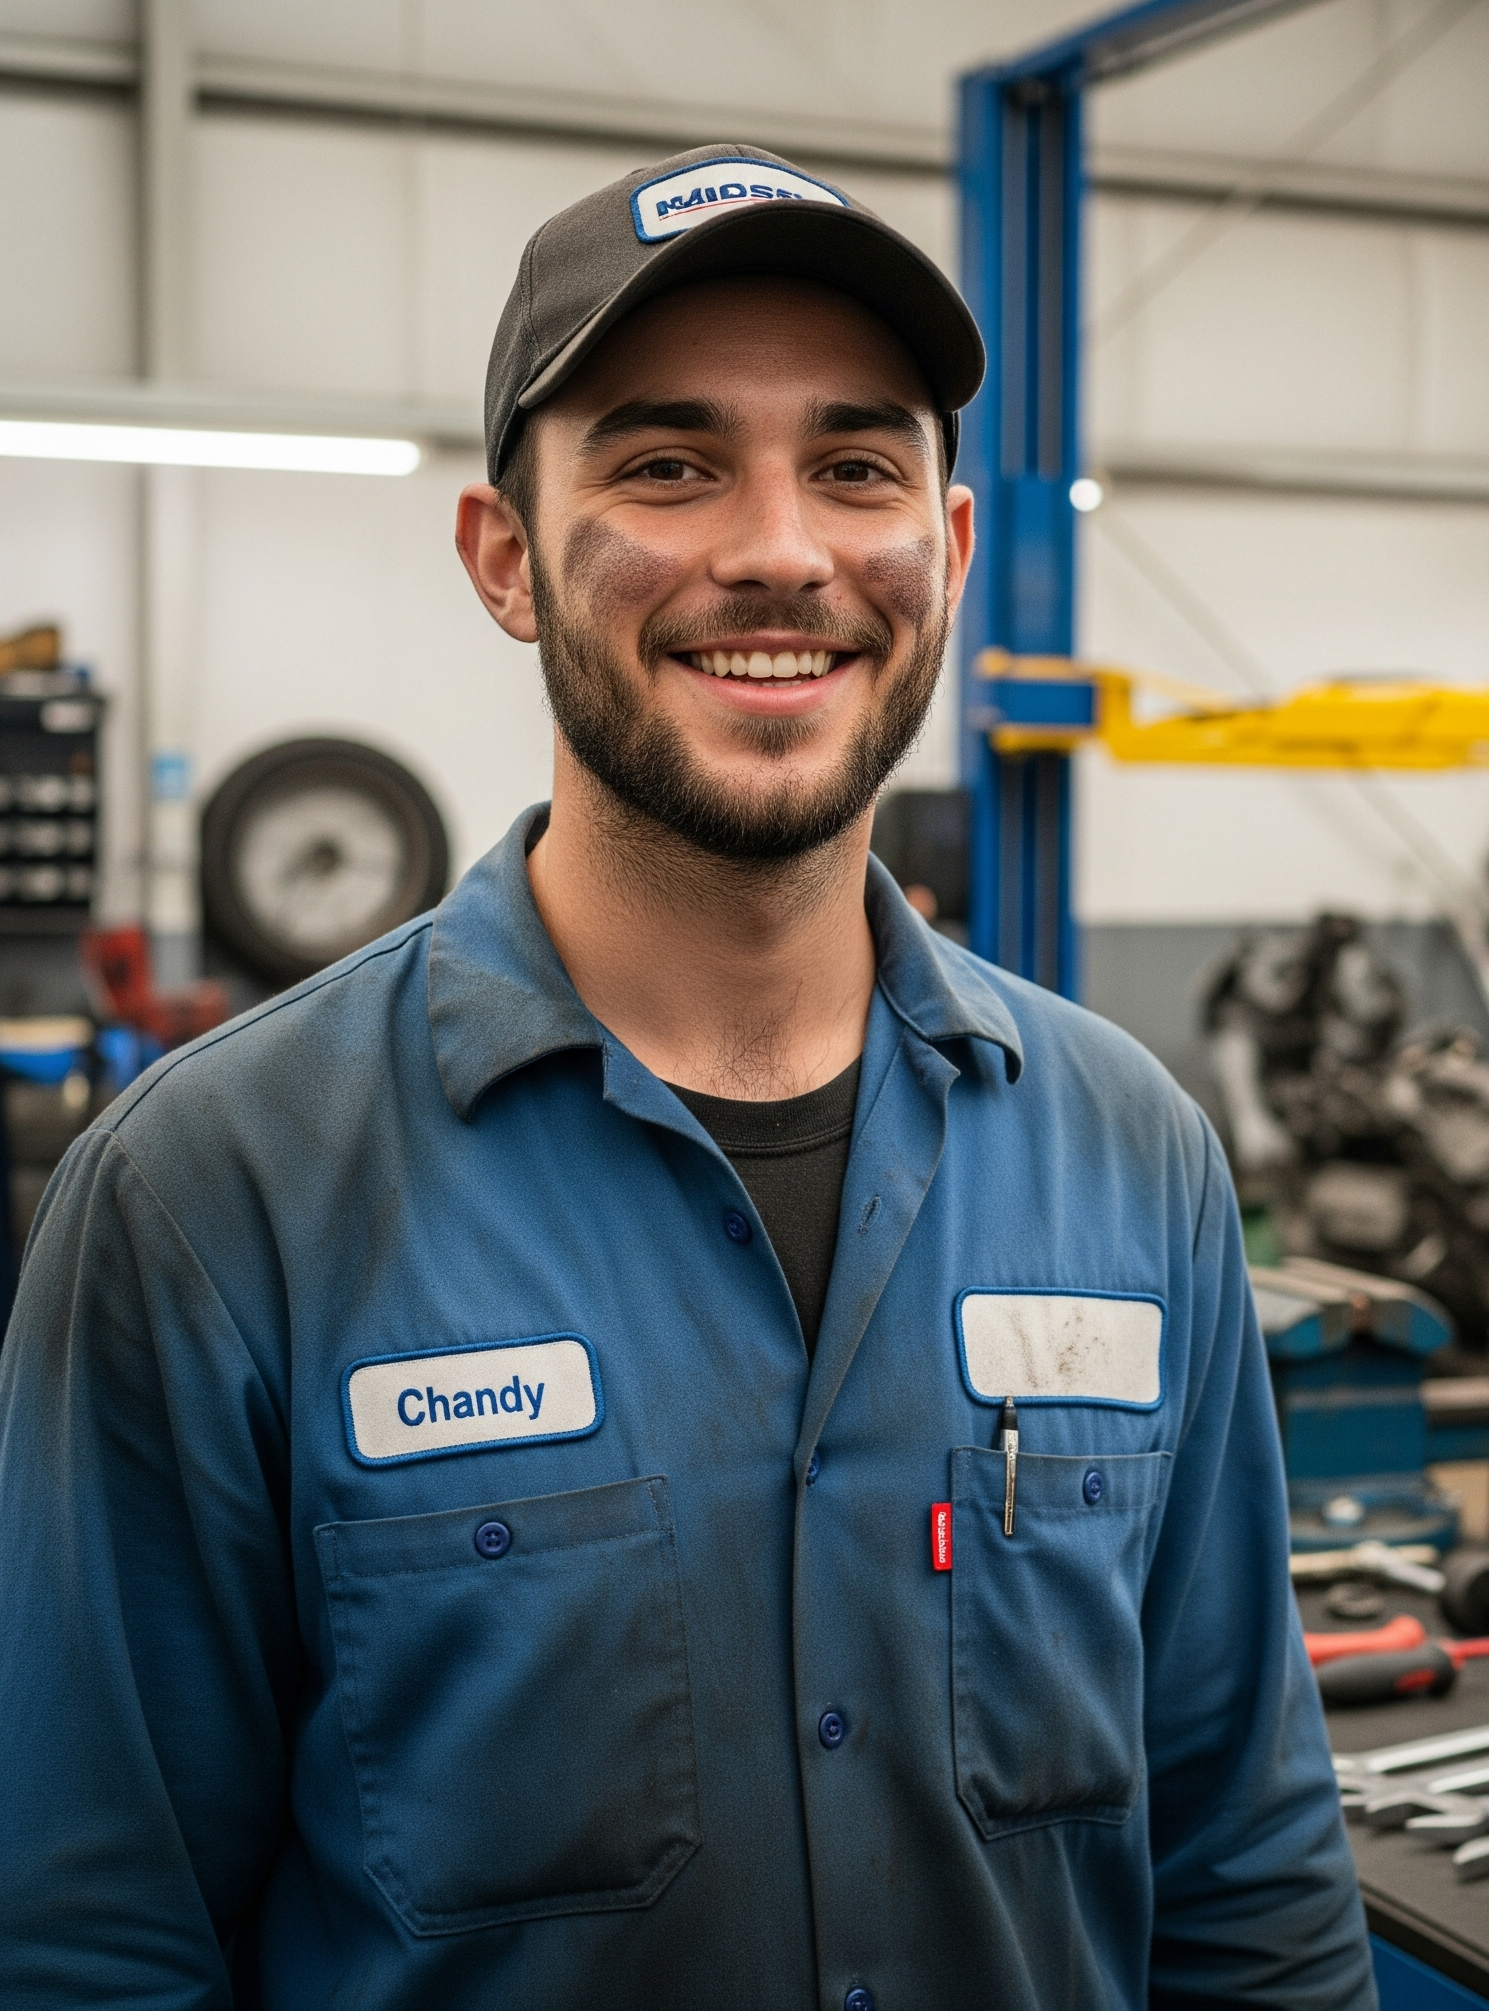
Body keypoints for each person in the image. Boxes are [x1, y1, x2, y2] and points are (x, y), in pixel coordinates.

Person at [0, 144, 1374, 2009]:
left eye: (857, 467)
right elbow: (90, 1951)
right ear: (504, 559)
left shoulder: (1130, 1153)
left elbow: (1250, 1883)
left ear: (947, 553)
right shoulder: (211, 1198)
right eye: (667, 465)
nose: (782, 550)